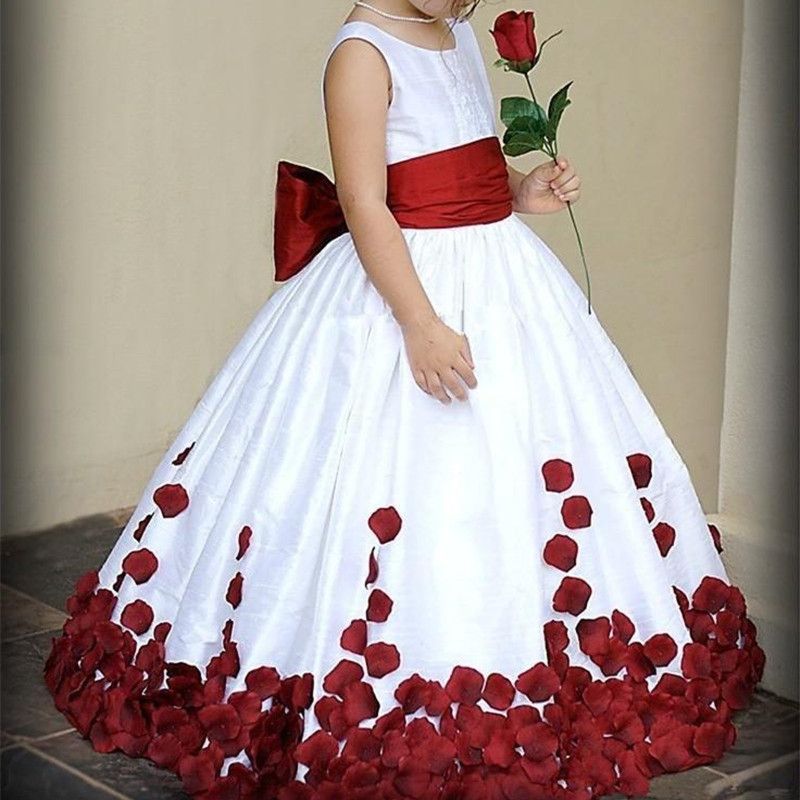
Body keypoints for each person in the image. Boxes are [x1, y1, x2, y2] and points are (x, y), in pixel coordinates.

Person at [44, 2, 765, 797]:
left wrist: (520, 190)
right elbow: (366, 204)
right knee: (394, 478)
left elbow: (464, 162)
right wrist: (419, 322)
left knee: (517, 467)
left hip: (497, 275)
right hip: (404, 289)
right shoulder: (361, 54)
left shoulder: (455, 31)